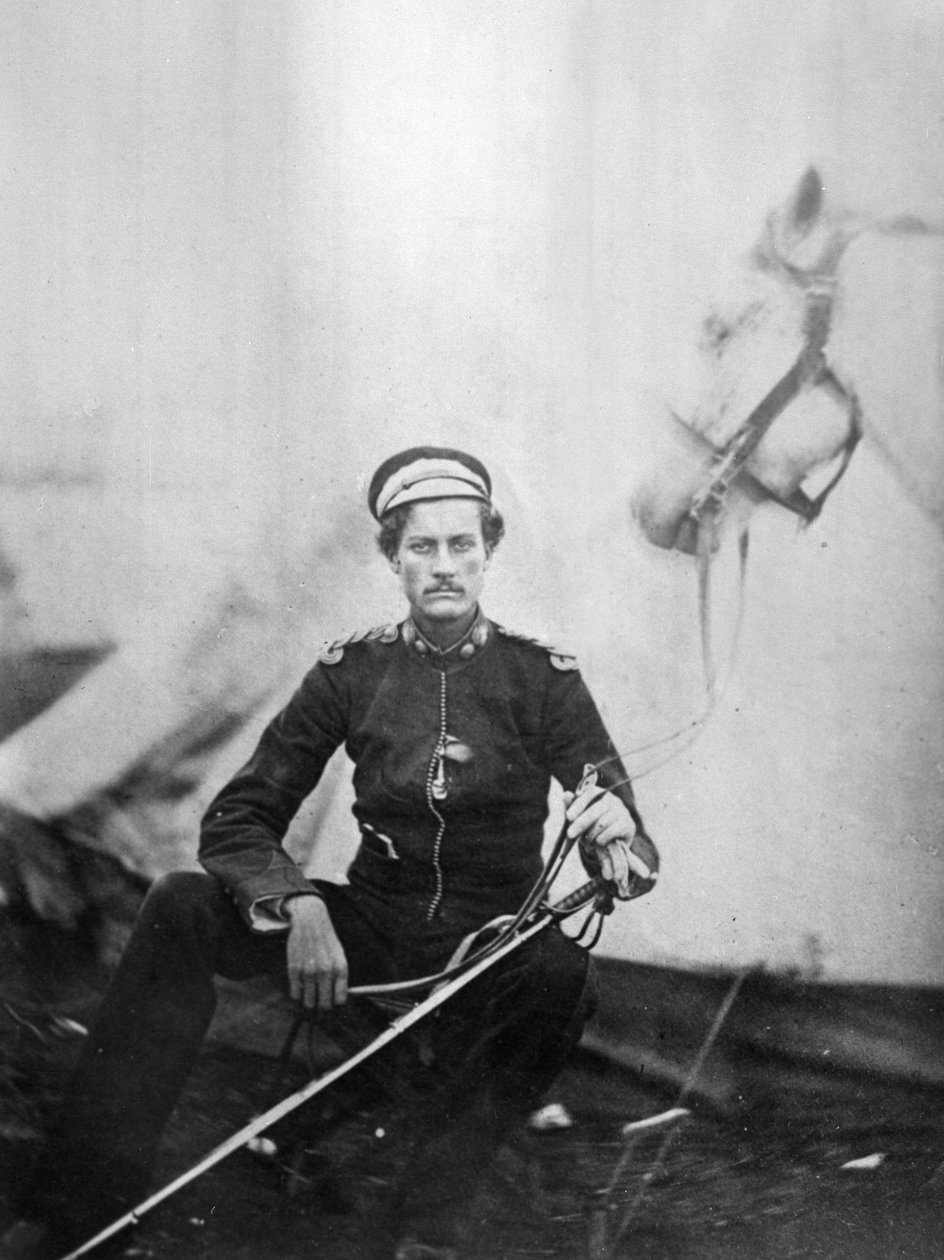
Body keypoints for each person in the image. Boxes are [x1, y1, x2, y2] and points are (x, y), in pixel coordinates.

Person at [0, 446, 658, 1260]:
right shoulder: (352, 672)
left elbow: (633, 842)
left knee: (562, 972)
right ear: (392, 558)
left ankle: (427, 1227)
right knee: (178, 905)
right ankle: (73, 1207)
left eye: (462, 544)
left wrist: (613, 838)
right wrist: (298, 904)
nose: (444, 565)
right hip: (368, 929)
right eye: (421, 546)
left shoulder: (544, 679)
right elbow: (238, 817)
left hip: (491, 947)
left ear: (489, 550)